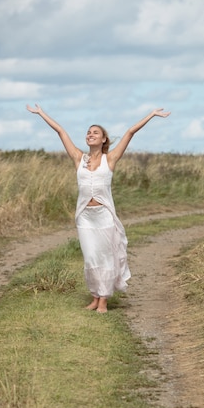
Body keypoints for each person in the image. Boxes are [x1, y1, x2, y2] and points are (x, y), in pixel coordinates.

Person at [26, 104, 171, 313]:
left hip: (103, 215)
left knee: (104, 257)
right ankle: (95, 297)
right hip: (84, 216)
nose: (90, 134)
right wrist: (40, 113)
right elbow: (60, 131)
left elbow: (130, 132)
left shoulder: (109, 159)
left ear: (103, 139)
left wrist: (152, 114)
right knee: (90, 258)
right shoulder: (79, 158)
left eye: (95, 132)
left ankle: (103, 300)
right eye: (88, 132)